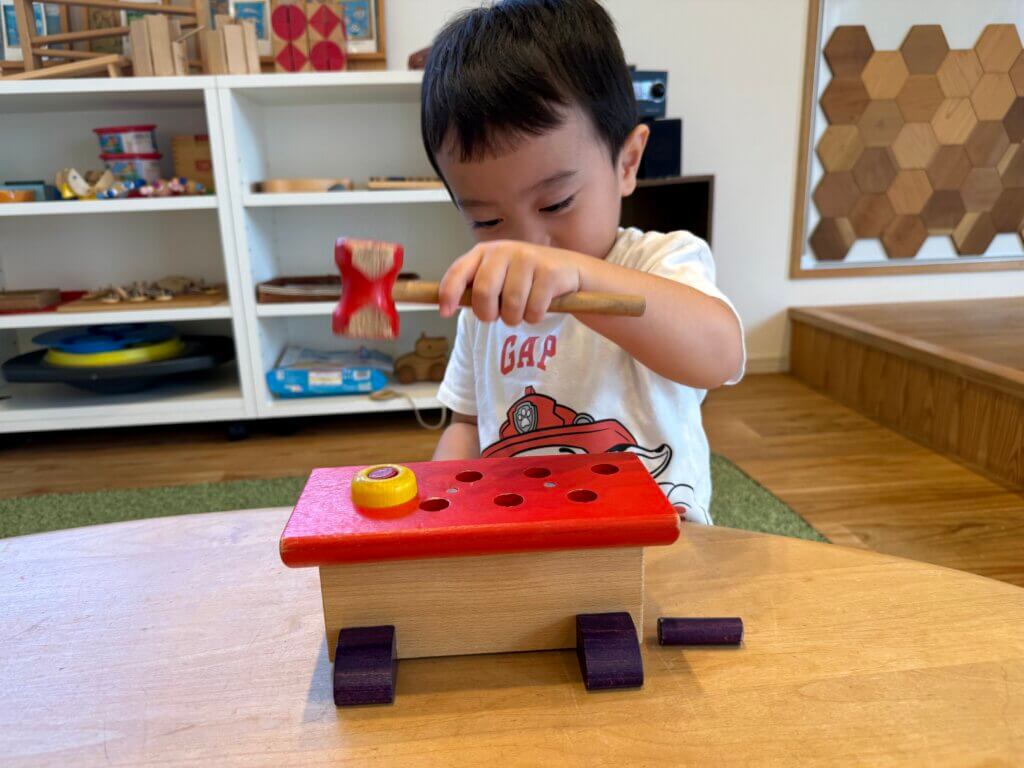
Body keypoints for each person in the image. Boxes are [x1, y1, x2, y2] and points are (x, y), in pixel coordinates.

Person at [422, 0, 745, 524]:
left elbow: (720, 357)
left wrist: (581, 278)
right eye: (486, 220)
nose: (528, 243)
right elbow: (464, 423)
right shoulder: (486, 300)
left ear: (627, 162)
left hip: (659, 542)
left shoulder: (660, 261)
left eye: (555, 204)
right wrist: (442, 506)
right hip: (525, 535)